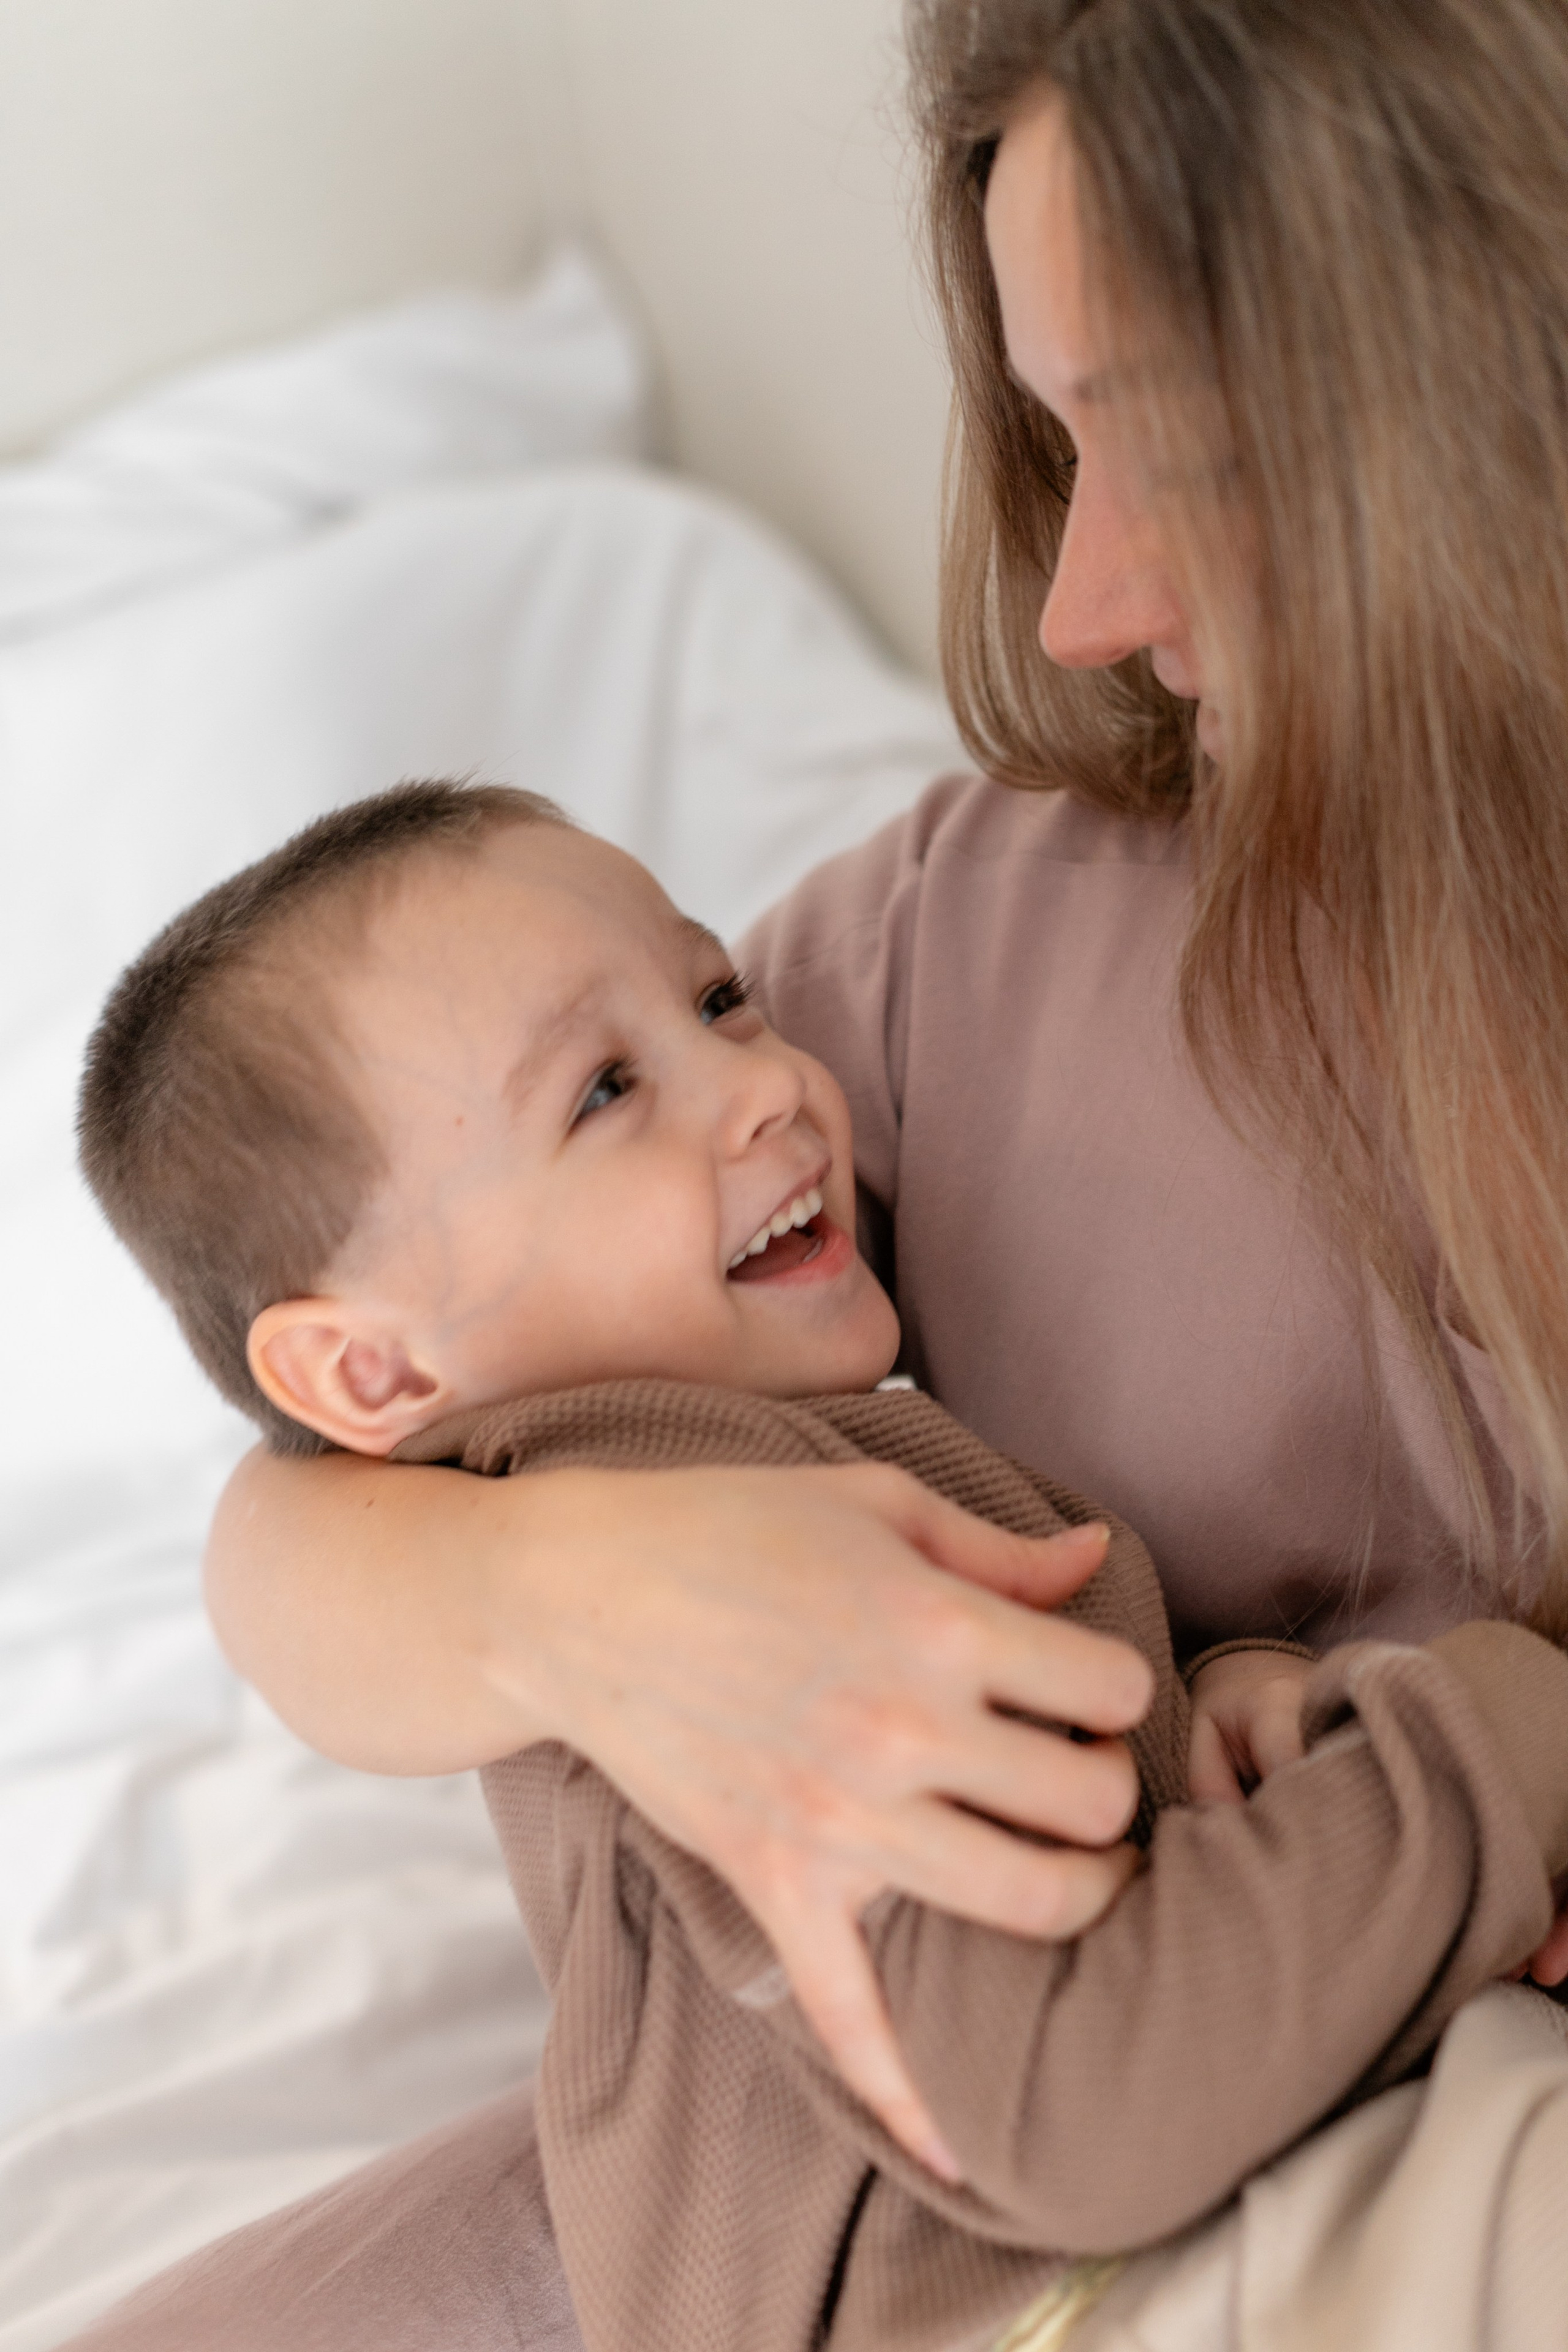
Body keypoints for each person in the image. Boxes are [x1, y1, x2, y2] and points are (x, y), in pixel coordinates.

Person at [153, 0, 1568, 2328]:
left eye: (1180, 447)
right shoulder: (956, 960)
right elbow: (314, 1495)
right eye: (1052, 436)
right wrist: (587, 1609)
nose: (1076, 601)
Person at [68, 779, 1568, 2352]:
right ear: (368, 1379)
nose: (767, 1085)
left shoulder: (749, 1459)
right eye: (601, 1093)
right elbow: (1079, 2100)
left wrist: (1220, 1713)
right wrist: (1493, 1735)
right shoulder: (748, 1568)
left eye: (721, 997)